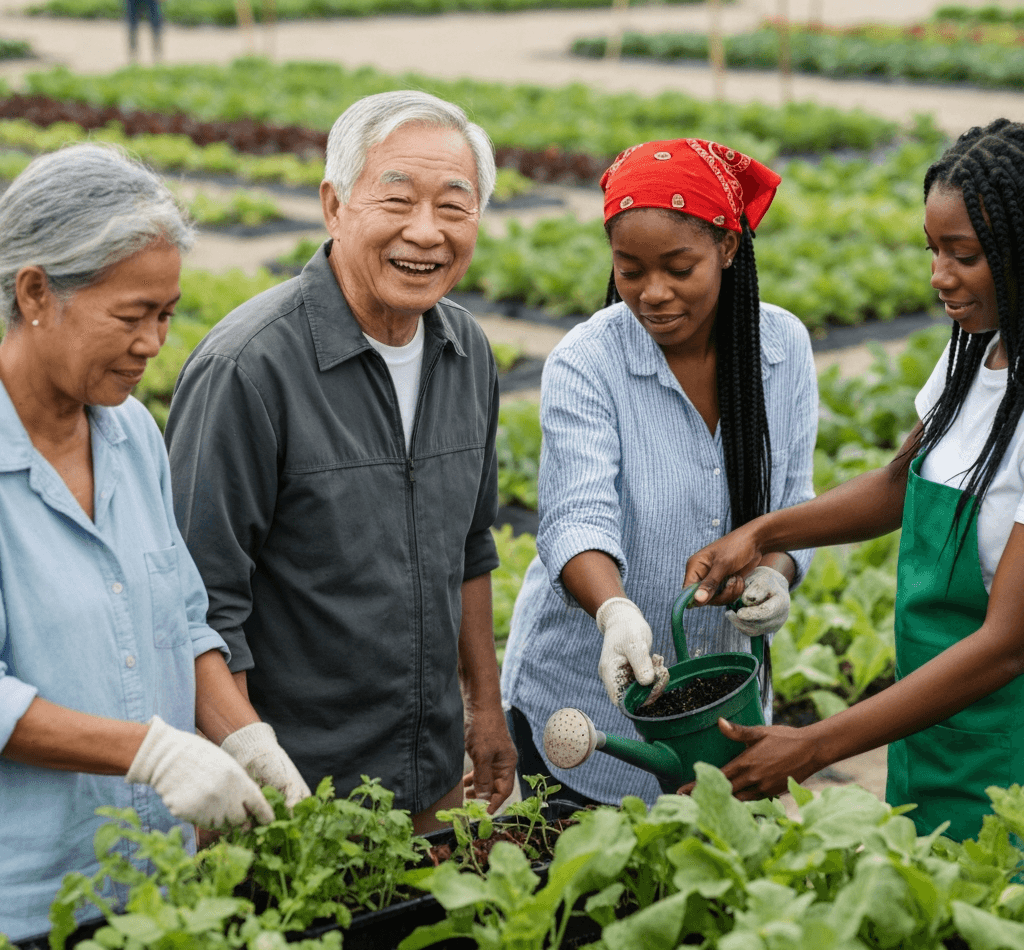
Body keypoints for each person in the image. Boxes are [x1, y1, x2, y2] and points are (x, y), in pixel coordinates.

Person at [165, 91, 517, 834]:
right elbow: (199, 603)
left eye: (455, 207)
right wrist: (254, 769)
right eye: (397, 199)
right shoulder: (248, 368)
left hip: (429, 775)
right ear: (333, 205)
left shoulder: (468, 353)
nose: (426, 232)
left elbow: (472, 548)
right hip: (293, 791)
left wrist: (485, 707)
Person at [683, 119, 1024, 843]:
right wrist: (764, 533)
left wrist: (818, 744)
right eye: (933, 250)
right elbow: (906, 480)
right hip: (934, 724)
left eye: (963, 255)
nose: (938, 277)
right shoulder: (981, 351)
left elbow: (1008, 642)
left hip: (1006, 737)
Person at [0, 145, 309, 943]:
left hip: (157, 883)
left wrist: (245, 737)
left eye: (167, 314)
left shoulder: (132, 433)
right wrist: (151, 754)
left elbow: (181, 618)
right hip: (34, 900)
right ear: (36, 292)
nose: (154, 343)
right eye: (132, 315)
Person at [499, 138, 818, 808]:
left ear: (728, 249)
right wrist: (615, 613)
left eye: (679, 268)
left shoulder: (782, 349)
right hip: (588, 708)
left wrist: (775, 575)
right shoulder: (587, 362)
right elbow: (576, 516)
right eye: (630, 270)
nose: (654, 293)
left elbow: (792, 508)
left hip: (722, 710)